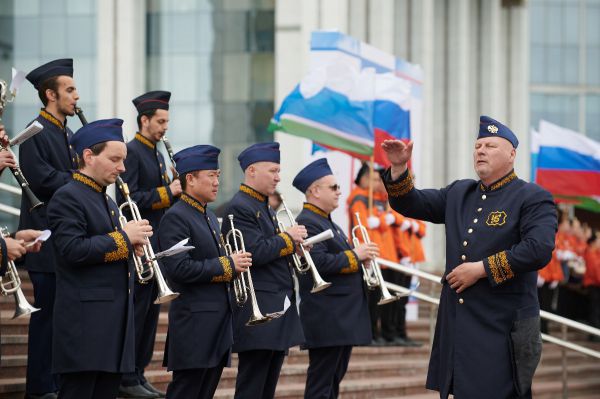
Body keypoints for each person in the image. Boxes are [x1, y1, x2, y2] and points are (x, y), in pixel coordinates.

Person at [381, 115, 557, 398]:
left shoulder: (532, 196)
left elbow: (538, 249)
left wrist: (482, 269)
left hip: (502, 329)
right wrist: (400, 167)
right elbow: (410, 202)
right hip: (460, 327)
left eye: (490, 145)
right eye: (477, 146)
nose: (481, 150)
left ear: (511, 154)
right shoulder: (460, 192)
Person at [46, 118, 153, 399]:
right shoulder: (67, 196)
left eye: (123, 160)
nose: (122, 168)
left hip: (112, 327)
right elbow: (73, 250)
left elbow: (104, 251)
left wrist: (130, 249)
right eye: (115, 159)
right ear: (88, 156)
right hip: (86, 328)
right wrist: (123, 239)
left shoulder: (107, 201)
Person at [158, 145, 250, 398]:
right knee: (187, 391)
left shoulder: (207, 216)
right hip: (194, 325)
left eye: (218, 175)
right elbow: (179, 269)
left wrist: (232, 266)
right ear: (190, 178)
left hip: (216, 322)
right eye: (211, 175)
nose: (217, 182)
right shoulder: (176, 216)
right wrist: (227, 265)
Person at [221, 142, 305, 399]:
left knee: (266, 387)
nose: (278, 177)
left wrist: (294, 249)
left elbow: (271, 250)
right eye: (273, 171)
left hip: (276, 303)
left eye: (279, 171)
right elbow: (254, 253)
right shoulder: (240, 206)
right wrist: (288, 240)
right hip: (259, 306)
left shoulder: (263, 206)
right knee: (252, 387)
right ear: (252, 171)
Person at [19, 58, 80, 399]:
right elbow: (41, 179)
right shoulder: (35, 131)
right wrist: (80, 180)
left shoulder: (67, 133)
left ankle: (55, 383)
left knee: (62, 321)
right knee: (46, 321)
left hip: (65, 239)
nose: (76, 96)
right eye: (69, 89)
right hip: (42, 238)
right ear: (50, 94)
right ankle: (40, 388)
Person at [293, 158, 376, 399]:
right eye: (334, 187)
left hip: (339, 316)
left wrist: (359, 260)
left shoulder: (328, 222)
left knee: (332, 382)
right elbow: (316, 263)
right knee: (322, 383)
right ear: (315, 191)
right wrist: (355, 256)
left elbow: (335, 260)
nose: (340, 191)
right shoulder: (308, 221)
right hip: (327, 316)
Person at [117, 90, 181, 399]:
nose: (165, 127)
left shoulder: (155, 152)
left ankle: (139, 372)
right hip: (139, 243)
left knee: (149, 314)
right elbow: (129, 199)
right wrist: (169, 192)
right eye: (160, 121)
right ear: (144, 120)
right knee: (137, 311)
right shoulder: (131, 151)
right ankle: (127, 375)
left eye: (167, 121)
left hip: (155, 243)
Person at [347, 163, 399, 346]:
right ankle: (369, 334)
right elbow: (361, 226)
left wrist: (380, 220)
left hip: (383, 253)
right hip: (368, 254)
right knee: (370, 300)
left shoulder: (377, 198)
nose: (377, 183)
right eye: (373, 179)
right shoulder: (359, 198)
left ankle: (379, 334)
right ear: (362, 179)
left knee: (379, 299)